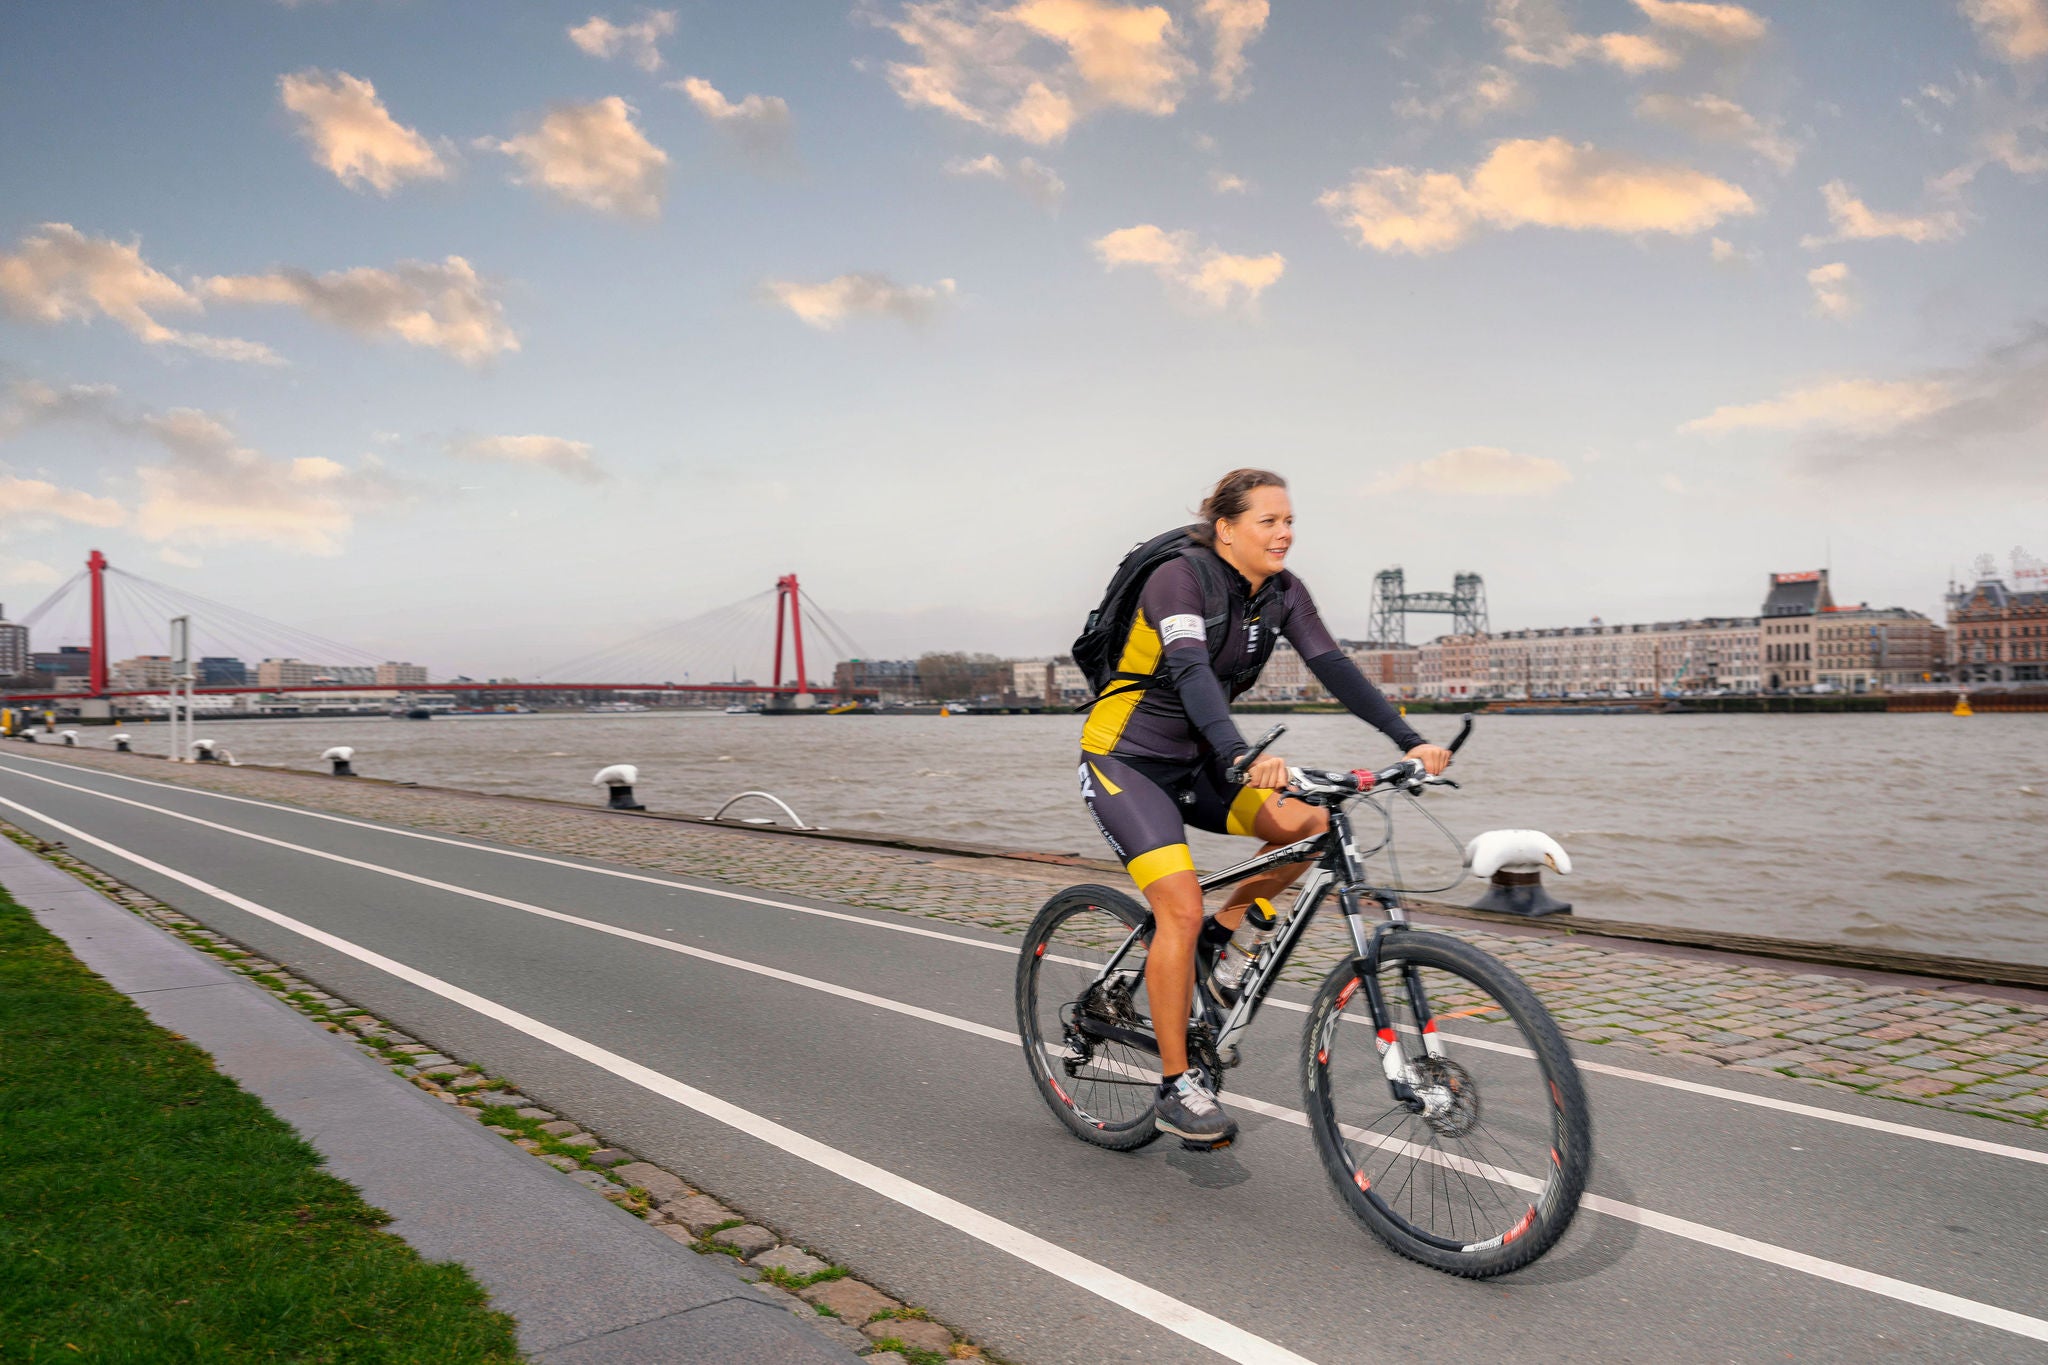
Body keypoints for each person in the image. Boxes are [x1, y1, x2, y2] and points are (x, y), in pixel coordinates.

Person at [1078, 469, 1452, 1146]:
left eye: (1290, 521)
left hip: (1205, 761)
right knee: (1179, 907)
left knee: (1310, 823)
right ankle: (1175, 1086)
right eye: (1268, 521)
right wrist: (1242, 752)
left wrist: (1411, 740)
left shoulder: (1283, 592)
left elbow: (1333, 664)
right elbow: (1190, 667)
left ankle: (1221, 947)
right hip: (1126, 761)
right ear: (1226, 528)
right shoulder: (1180, 579)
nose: (1285, 533)